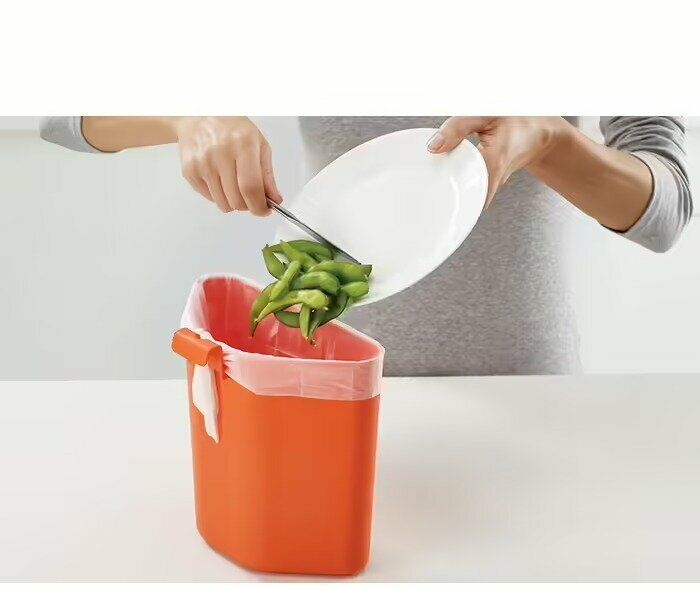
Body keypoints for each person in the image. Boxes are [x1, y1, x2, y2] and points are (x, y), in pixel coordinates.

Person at [39, 116, 693, 376]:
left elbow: (666, 209)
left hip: (528, 396)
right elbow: (62, 117)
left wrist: (550, 141)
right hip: (337, 390)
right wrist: (188, 114)